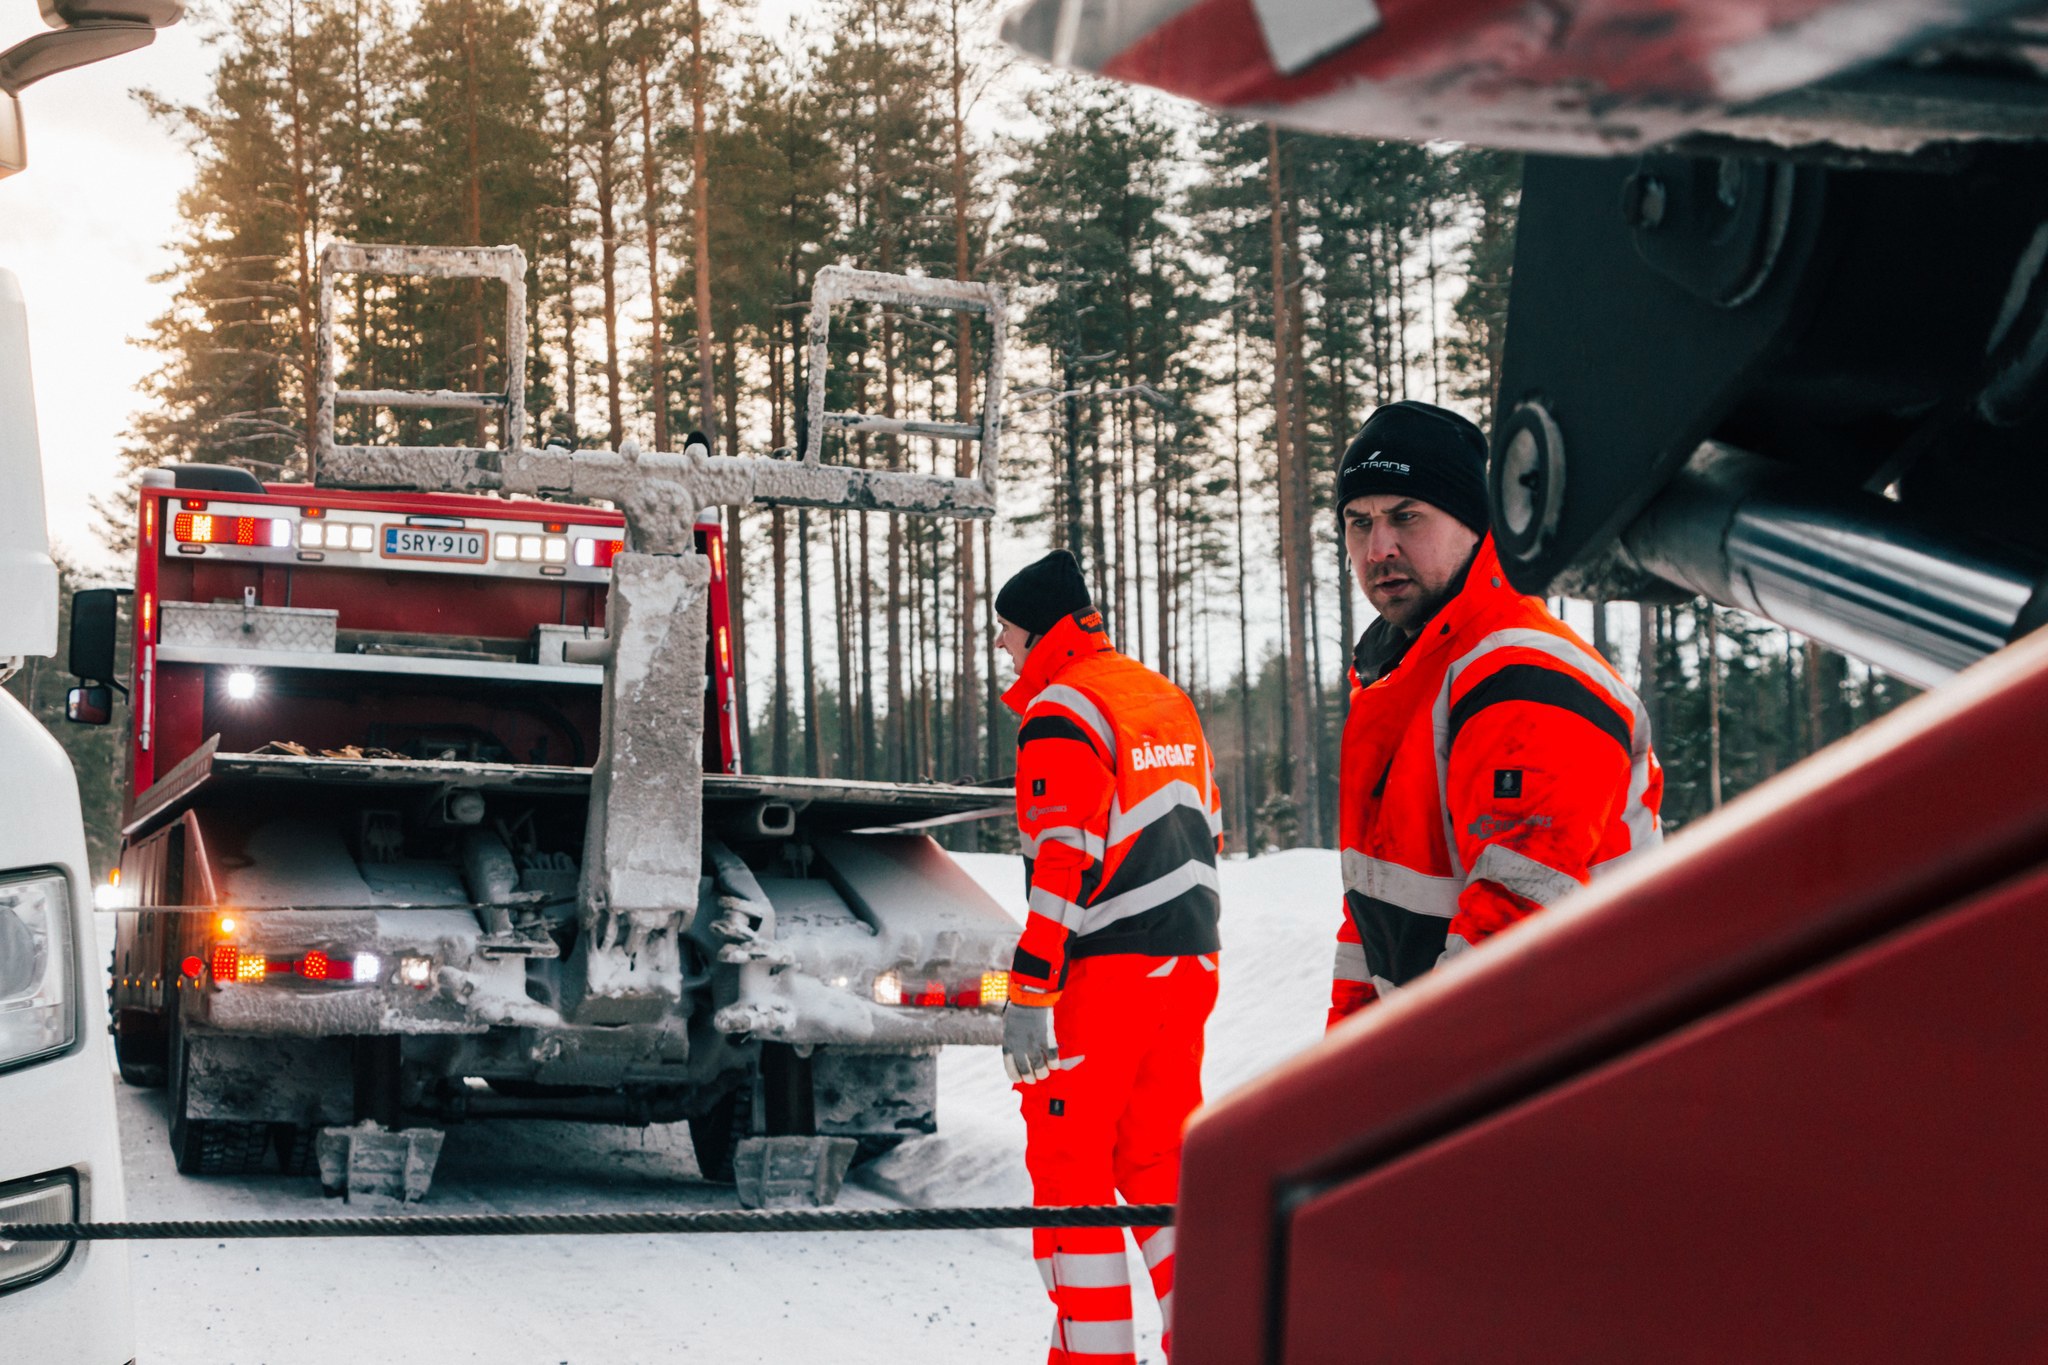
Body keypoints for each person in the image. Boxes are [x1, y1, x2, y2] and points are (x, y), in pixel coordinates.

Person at [1328, 400, 1663, 1026]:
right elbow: (1370, 925)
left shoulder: (1523, 673)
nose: (1378, 548)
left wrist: (1414, 1091)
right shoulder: (1399, 682)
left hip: (1573, 1068)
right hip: (1461, 1069)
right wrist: (1343, 1074)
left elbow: (1511, 923)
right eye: (1358, 521)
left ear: (1475, 524)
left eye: (1407, 517)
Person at [994, 548, 1222, 1365]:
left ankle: (1094, 1360)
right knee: (1160, 1164)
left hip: (1103, 980)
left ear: (1042, 632)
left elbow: (1063, 861)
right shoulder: (1161, 698)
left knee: (1071, 1179)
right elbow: (1208, 829)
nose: (1003, 650)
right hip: (1189, 964)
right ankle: (1213, 1342)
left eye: (1008, 633)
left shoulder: (1062, 708)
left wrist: (1029, 991)